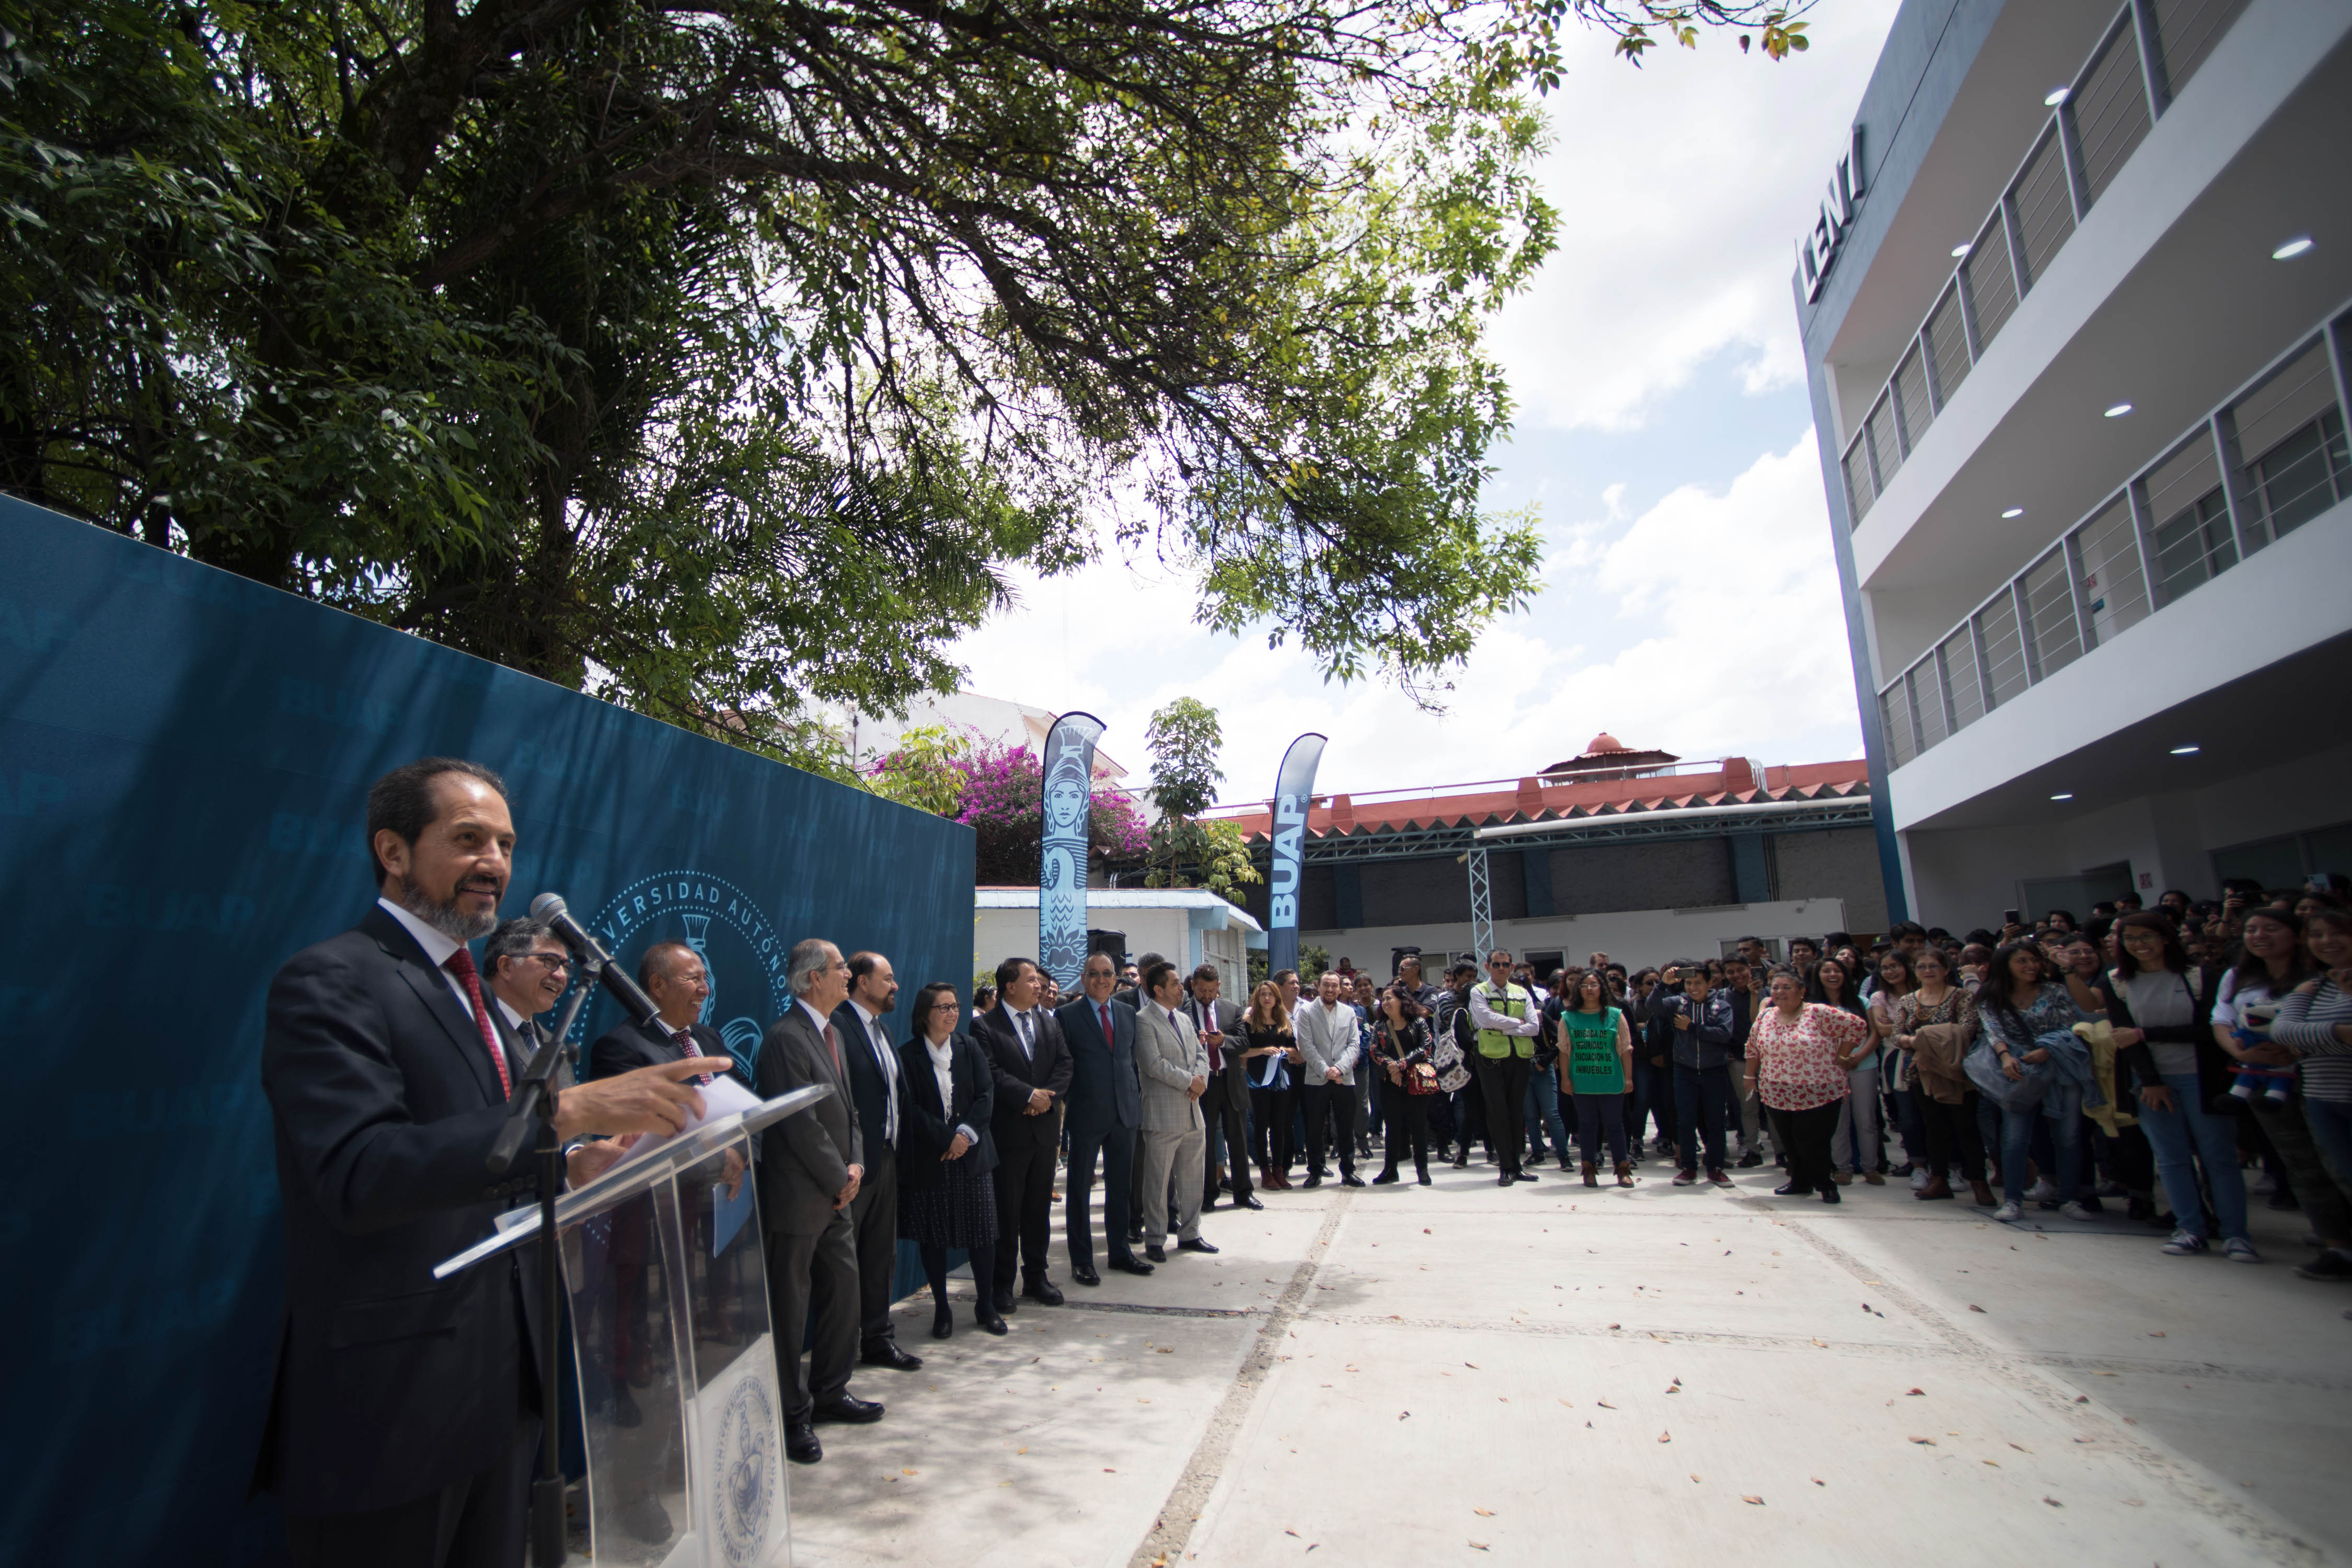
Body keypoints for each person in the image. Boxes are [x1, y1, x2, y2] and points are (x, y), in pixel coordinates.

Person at [256, 758, 728, 1567]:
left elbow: (485, 1149)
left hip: (505, 1384)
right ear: (394, 852)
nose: (496, 862)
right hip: (393, 1406)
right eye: (468, 839)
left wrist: (572, 1165)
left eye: (506, 843)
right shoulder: (332, 980)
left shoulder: (470, 996)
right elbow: (357, 1172)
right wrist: (567, 1112)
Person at [756, 938, 884, 1463]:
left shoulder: (830, 1032)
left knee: (845, 1294)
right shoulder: (786, 1038)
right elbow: (799, 1125)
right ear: (813, 978)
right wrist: (839, 1176)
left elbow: (846, 1112)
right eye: (838, 969)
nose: (847, 976)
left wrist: (854, 1166)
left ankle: (831, 1391)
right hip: (800, 1197)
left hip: (838, 1191)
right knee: (790, 1308)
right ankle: (791, 1416)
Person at [2104, 914, 2255, 1260]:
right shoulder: (2116, 980)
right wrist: (2151, 1081)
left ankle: (2236, 1234)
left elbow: (2209, 1030)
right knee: (2171, 1160)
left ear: (2167, 938)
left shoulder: (2199, 976)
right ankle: (2190, 1228)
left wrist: (2146, 1033)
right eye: (2130, 938)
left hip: (2202, 1077)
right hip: (2151, 1081)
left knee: (2219, 1159)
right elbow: (2123, 1035)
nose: (2139, 945)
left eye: (2147, 937)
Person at [2216, 907, 2352, 1280]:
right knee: (2302, 1166)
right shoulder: (2240, 977)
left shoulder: (2317, 978)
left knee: (2338, 1166)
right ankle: (2336, 1248)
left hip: (2313, 1081)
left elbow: (2295, 1032)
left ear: (2295, 935)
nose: (2260, 936)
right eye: (2251, 929)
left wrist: (2301, 1040)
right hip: (2262, 1078)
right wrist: (2243, 1053)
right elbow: (2223, 1021)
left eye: (2272, 928)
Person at [897, 983, 1005, 1339]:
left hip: (973, 1156)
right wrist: (948, 1139)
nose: (952, 1013)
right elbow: (909, 1108)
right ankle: (941, 1309)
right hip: (934, 1156)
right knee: (935, 1236)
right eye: (943, 1007)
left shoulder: (968, 1046)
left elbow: (986, 1094)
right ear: (925, 1013)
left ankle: (985, 1304)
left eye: (955, 1006)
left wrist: (966, 1136)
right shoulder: (909, 1055)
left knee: (984, 1235)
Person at [833, 952, 921, 1372]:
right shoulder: (836, 1027)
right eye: (887, 978)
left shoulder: (883, 1032)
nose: (895, 986)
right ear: (862, 983)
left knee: (880, 1256)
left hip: (886, 1157)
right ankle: (839, 1352)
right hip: (852, 1166)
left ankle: (878, 1338)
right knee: (844, 1261)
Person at [971, 958, 1073, 1311]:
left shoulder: (1049, 1023)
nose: (1039, 986)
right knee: (1006, 1212)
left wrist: (1046, 1098)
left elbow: (1065, 1064)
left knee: (1036, 1210)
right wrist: (1027, 1096)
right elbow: (990, 1072)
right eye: (1030, 980)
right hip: (1009, 1133)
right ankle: (1002, 1284)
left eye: (1039, 981)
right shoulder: (985, 1027)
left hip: (1044, 1133)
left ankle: (1036, 1278)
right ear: (1009, 986)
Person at [1975, 940, 2094, 1227]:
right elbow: (1992, 1029)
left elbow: (2071, 1027)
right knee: (2015, 1139)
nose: (2030, 966)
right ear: (2006, 966)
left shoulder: (2055, 991)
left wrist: (2048, 1050)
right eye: (2022, 961)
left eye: (2034, 960)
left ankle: (2069, 1198)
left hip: (2062, 1070)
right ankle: (2013, 1200)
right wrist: (2005, 1056)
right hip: (2017, 1073)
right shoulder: (1991, 995)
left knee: (2068, 1137)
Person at [1054, 953, 1151, 1283]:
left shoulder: (1127, 1014)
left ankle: (1120, 1253)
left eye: (1107, 974)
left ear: (1116, 979)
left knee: (1121, 1188)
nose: (1101, 979)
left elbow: (1129, 1061)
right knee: (1080, 1190)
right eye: (1094, 974)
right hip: (1085, 1114)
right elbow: (1061, 1065)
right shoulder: (1066, 1015)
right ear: (1083, 978)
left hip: (1124, 1114)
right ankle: (1082, 1260)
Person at [1744, 966, 1870, 1203]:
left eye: (1787, 987)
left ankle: (1825, 1184)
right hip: (1777, 1092)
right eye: (1776, 988)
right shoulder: (1766, 1016)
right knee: (1790, 1142)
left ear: (1802, 992)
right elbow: (1752, 1048)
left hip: (1818, 1091)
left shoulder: (1819, 1013)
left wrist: (1843, 1057)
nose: (1780, 992)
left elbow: (1857, 1026)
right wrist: (1750, 1078)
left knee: (1812, 1142)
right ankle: (1799, 1182)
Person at [1888, 948, 1994, 1207]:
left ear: (1947, 969)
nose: (1927, 971)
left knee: (1966, 1128)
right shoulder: (1909, 1000)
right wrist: (1915, 1041)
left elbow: (1968, 1030)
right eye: (1922, 967)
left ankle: (1979, 1182)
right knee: (1932, 1127)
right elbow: (1897, 1035)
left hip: (1954, 1070)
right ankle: (1939, 1179)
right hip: (1920, 1072)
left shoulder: (1962, 996)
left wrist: (1922, 1039)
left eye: (1933, 966)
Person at [1133, 960, 1218, 1260]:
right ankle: (1155, 1239)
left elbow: (1201, 1054)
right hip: (1163, 1113)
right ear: (1158, 989)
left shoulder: (1183, 1019)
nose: (1182, 987)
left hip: (1194, 1113)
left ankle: (1191, 1233)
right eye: (1175, 984)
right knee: (1157, 1181)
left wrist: (1201, 1080)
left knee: (1193, 1177)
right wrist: (1189, 1083)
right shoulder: (1143, 1020)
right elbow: (1152, 1064)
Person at [587, 940, 726, 1083]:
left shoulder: (712, 1038)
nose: (706, 990)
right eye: (694, 979)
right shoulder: (620, 1048)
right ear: (658, 985)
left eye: (704, 978)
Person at [1185, 963, 1256, 1212]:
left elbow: (1244, 1043)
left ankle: (1243, 1192)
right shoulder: (1184, 1013)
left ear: (1219, 987)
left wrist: (1223, 1040)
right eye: (1202, 990)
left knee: (1237, 1139)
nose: (1206, 996)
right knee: (1203, 1141)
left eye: (1211, 991)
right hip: (1203, 1084)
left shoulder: (1232, 1010)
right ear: (1194, 986)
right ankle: (1207, 1194)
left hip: (1230, 1080)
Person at [1469, 950, 1543, 1185]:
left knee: (1516, 1111)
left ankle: (1517, 1166)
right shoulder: (1478, 991)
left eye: (1506, 964)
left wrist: (1506, 1028)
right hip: (1490, 1058)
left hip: (1519, 1057)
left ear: (1512, 968)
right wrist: (1516, 1024)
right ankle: (1505, 1167)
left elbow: (1534, 1027)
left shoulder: (1521, 992)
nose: (1501, 968)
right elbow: (1484, 1019)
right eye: (1497, 964)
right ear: (1487, 966)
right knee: (1498, 1112)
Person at [1558, 967, 1636, 1187]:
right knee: (1587, 1126)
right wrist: (1565, 1079)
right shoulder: (1569, 1017)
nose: (1589, 990)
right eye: (1584, 986)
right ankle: (1589, 1169)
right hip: (1582, 1081)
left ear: (1602, 988)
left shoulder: (1616, 1015)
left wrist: (1628, 1078)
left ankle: (1622, 1169)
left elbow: (1626, 1049)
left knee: (1615, 1125)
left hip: (1611, 1080)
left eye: (1594, 985)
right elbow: (1564, 1050)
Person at [1811, 956, 1880, 1185]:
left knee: (1866, 1119)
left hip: (1863, 1066)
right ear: (1818, 976)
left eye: (1837, 971)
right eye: (1827, 971)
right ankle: (1842, 1168)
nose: (1832, 975)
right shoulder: (1812, 1007)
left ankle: (1871, 1167)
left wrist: (1859, 1056)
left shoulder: (1862, 1002)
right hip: (1829, 1071)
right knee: (1838, 1121)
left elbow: (1875, 1034)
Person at [1666, 964, 1735, 1189]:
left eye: (1698, 983)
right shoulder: (1679, 1003)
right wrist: (1662, 983)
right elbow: (1653, 1005)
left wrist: (1693, 1028)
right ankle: (1689, 1168)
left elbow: (1724, 1034)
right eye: (1688, 983)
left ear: (1710, 984)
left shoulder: (1721, 1006)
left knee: (1715, 1121)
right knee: (1686, 1121)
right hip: (1684, 1070)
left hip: (1714, 1071)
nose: (1693, 988)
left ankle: (1715, 1168)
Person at [1296, 970, 1366, 1187]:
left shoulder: (1348, 1012)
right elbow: (1306, 1046)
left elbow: (1354, 1044)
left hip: (1344, 1079)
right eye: (1326, 985)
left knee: (1346, 1127)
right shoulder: (1306, 1012)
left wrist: (1340, 1069)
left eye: (1334, 986)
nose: (1330, 990)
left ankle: (1348, 1171)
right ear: (1319, 986)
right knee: (1315, 1127)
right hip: (1317, 1079)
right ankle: (1315, 1170)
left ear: (1340, 988)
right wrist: (1327, 1070)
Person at [481, 917, 572, 1068]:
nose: (561, 976)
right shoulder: (472, 1029)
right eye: (550, 961)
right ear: (506, 967)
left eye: (566, 967)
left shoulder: (556, 1048)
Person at [1368, 985, 1436, 1184]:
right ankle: (1390, 1170)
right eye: (1384, 999)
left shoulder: (1419, 1022)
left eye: (1390, 998)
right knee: (1392, 1126)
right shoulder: (1380, 1025)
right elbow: (1374, 1051)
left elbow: (1426, 1048)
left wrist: (1401, 1065)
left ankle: (1422, 1170)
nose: (1386, 1002)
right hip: (1389, 1082)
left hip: (1415, 1082)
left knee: (1418, 1126)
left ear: (1402, 1001)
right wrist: (1391, 1067)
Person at [1241, 979, 1297, 1189]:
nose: (1267, 998)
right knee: (1261, 1124)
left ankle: (1279, 1170)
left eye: (1271, 995)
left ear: (1277, 998)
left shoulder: (1284, 1021)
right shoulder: (1249, 1021)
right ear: (1257, 997)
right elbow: (1241, 1051)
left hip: (1281, 1079)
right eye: (1263, 994)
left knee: (1279, 1125)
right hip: (1258, 1080)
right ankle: (1264, 1170)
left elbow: (1296, 1051)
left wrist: (1284, 1051)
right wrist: (1263, 1051)